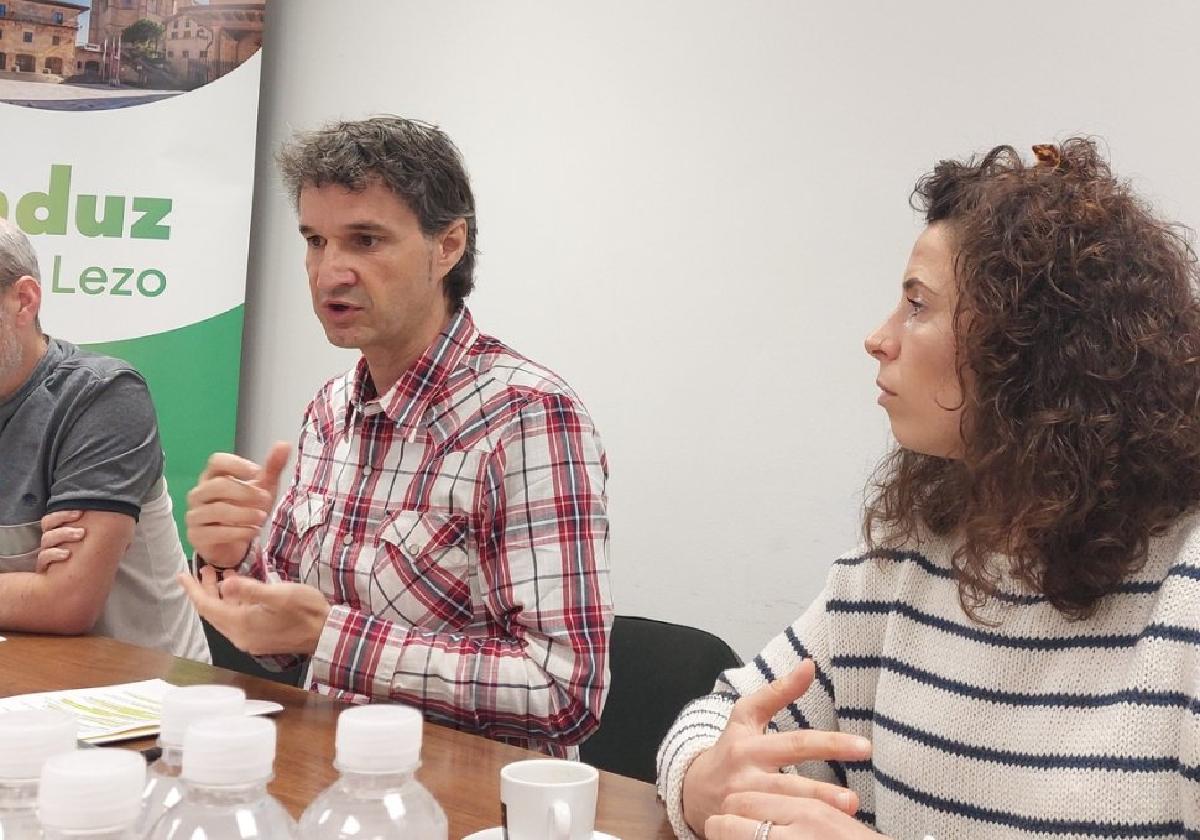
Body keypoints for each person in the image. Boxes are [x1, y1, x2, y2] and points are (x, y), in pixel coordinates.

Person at [657, 139, 1200, 839]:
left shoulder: (1184, 592)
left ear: (1030, 350)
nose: (878, 339)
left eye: (918, 305)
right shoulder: (911, 552)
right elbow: (723, 717)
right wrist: (705, 785)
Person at [177, 117, 612, 757]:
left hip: (464, 796)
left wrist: (329, 636)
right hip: (325, 774)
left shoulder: (528, 417)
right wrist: (230, 561)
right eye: (315, 240)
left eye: (366, 240)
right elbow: (286, 645)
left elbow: (562, 694)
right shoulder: (329, 411)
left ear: (448, 246)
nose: (329, 272)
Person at [0, 218, 209, 661]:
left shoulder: (103, 394)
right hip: (26, 689)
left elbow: (66, 602)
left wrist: (48, 587)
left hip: (145, 700)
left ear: (24, 300)